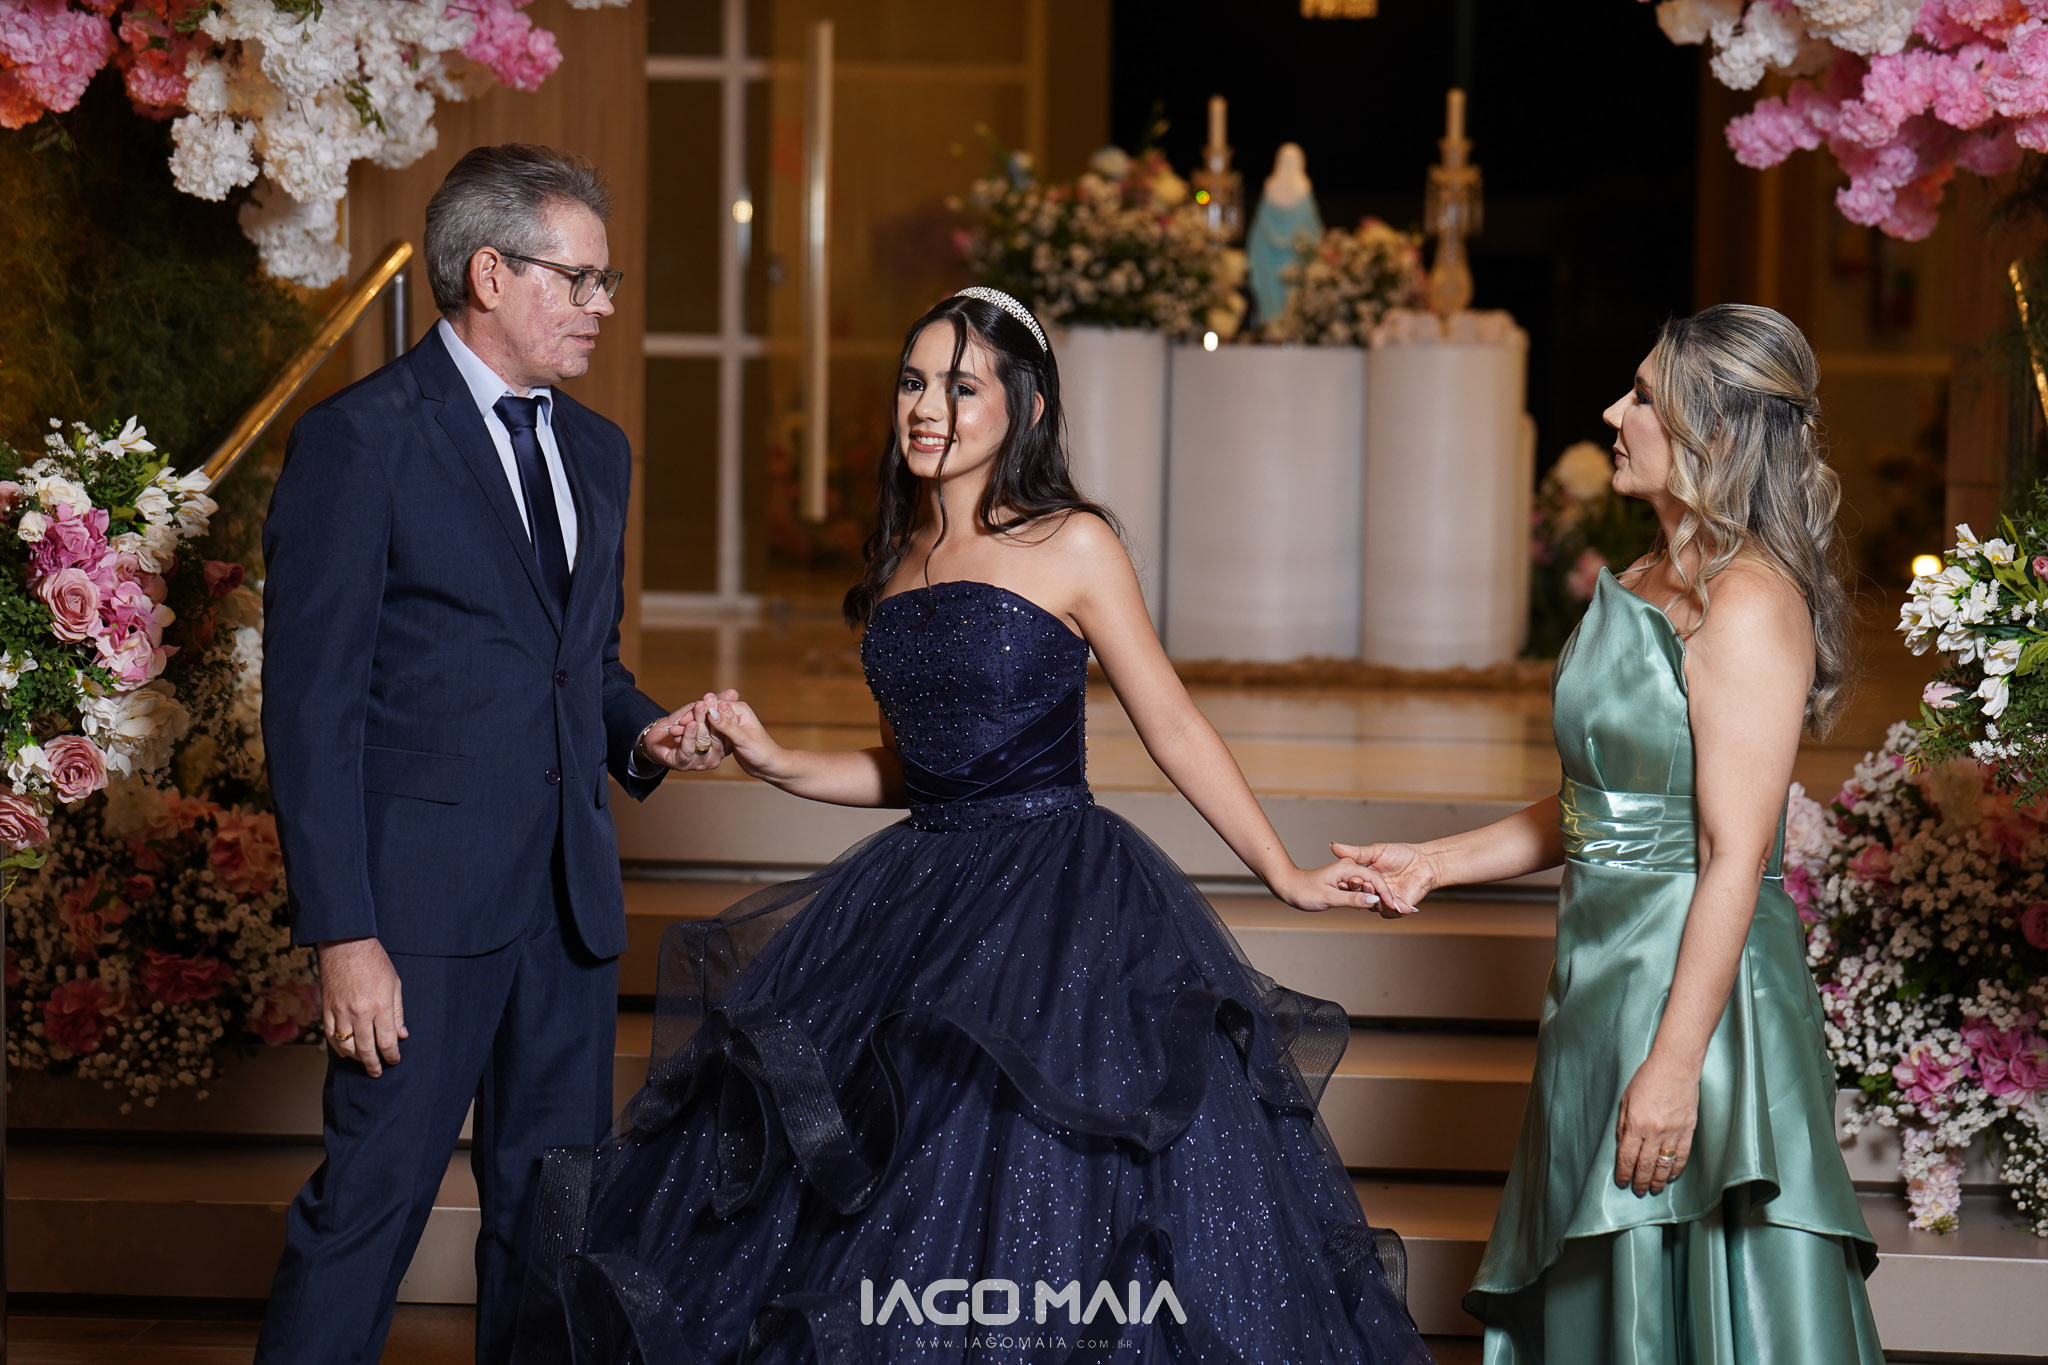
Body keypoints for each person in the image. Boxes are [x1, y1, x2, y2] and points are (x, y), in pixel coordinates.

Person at [521, 287, 1431, 1364]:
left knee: (1031, 1179)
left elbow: (1173, 723)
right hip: (918, 896)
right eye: (914, 382)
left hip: (1057, 896)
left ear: (1025, 407)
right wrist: (773, 759)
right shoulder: (897, 561)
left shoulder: (1073, 543)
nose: (927, 408)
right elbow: (914, 772)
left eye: (961, 387)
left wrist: (1282, 871)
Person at [256, 143, 728, 1365]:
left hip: (566, 908)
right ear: (487, 272)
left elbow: (584, 664)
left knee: (551, 1227)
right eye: (580, 279)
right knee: (367, 1210)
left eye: (606, 281)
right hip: (415, 917)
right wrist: (344, 936)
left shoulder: (598, 451)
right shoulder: (361, 441)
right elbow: (310, 710)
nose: (601, 305)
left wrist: (645, 731)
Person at [1338, 304, 1882, 1362]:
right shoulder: (1638, 582)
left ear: (1712, 433)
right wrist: (1434, 862)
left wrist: (1673, 1068)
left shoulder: (1747, 604)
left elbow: (1733, 853)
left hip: (1698, 1002)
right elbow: (1605, 802)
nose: (1611, 414)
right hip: (1600, 984)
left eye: (1641, 397)